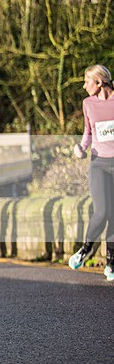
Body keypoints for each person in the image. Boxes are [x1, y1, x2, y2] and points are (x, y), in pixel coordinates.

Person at [70, 64, 114, 281]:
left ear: (99, 83)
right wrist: (81, 147)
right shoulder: (88, 103)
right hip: (98, 163)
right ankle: (86, 248)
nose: (84, 85)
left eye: (87, 81)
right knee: (102, 211)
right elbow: (88, 132)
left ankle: (111, 262)